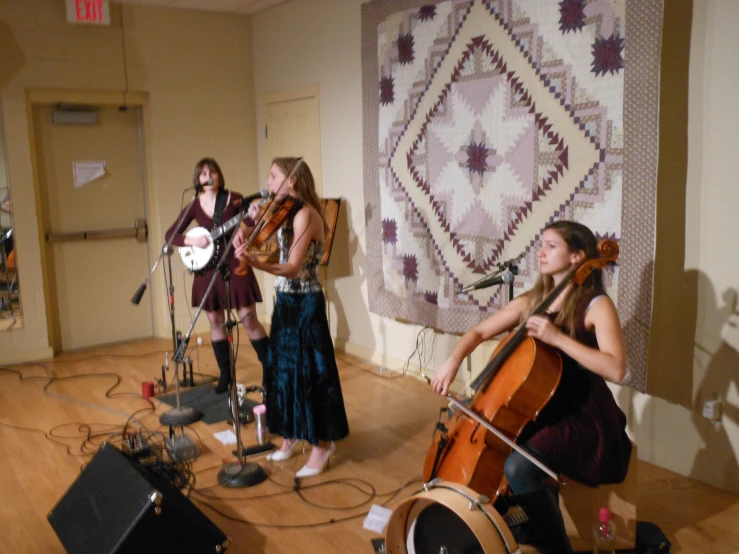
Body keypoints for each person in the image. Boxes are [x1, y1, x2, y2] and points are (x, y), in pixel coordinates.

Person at [430, 220, 632, 554]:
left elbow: (616, 367)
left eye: (552, 246)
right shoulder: (533, 301)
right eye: (542, 244)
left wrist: (557, 339)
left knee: (517, 467)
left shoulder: (596, 305)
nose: (541, 251)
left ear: (577, 256)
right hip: (540, 408)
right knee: (497, 446)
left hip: (583, 414)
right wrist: (453, 360)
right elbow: (479, 333)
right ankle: (530, 521)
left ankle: (556, 547)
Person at [235, 157, 349, 478]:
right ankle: (293, 433)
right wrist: (247, 222)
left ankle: (322, 445)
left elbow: (292, 267)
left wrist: (255, 263)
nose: (268, 183)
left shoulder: (306, 215)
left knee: (312, 374)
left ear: (293, 181)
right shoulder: (281, 211)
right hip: (285, 301)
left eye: (274, 177)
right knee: (283, 371)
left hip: (305, 303)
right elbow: (252, 237)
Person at [165, 158, 269, 394]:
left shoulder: (234, 199)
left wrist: (253, 215)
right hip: (208, 268)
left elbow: (251, 224)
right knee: (215, 320)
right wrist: (193, 241)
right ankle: (226, 374)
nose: (208, 175)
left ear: (219, 176)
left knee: (248, 318)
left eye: (212, 171)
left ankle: (270, 368)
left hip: (234, 264)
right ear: (198, 180)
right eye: (203, 173)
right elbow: (171, 234)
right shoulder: (194, 204)